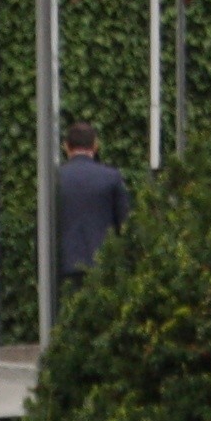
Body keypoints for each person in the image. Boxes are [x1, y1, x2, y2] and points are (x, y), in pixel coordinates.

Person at [52, 122, 133, 308]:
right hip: (103, 265)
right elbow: (125, 224)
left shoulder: (55, 179)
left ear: (66, 146)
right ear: (95, 146)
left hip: (64, 265)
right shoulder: (111, 177)